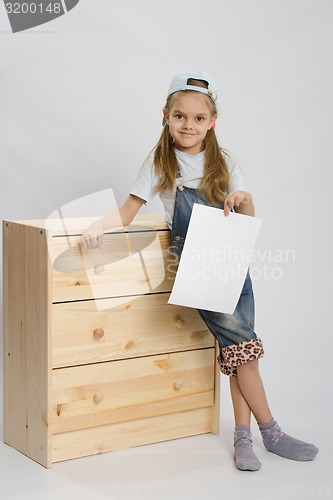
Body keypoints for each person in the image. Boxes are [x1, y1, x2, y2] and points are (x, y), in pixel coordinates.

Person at [80, 71, 319, 471]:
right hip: (199, 268)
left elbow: (247, 219)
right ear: (166, 116)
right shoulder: (160, 163)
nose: (188, 125)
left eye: (197, 118)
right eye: (179, 116)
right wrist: (97, 225)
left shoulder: (225, 162)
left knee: (238, 354)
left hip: (234, 263)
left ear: (212, 121)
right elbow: (127, 212)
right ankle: (271, 433)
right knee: (245, 353)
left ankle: (242, 440)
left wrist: (244, 199)